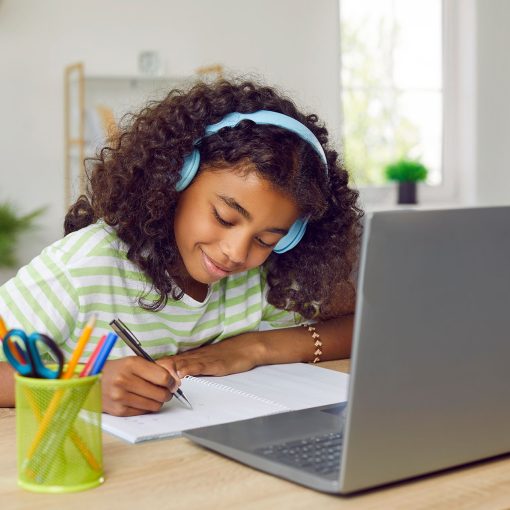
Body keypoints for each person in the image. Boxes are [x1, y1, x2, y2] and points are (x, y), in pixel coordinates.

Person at [0, 78, 363, 416]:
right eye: (224, 217)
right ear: (176, 177)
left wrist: (255, 348)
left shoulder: (259, 277)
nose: (236, 253)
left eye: (267, 239)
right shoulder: (84, 265)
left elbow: (359, 328)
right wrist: (82, 388)